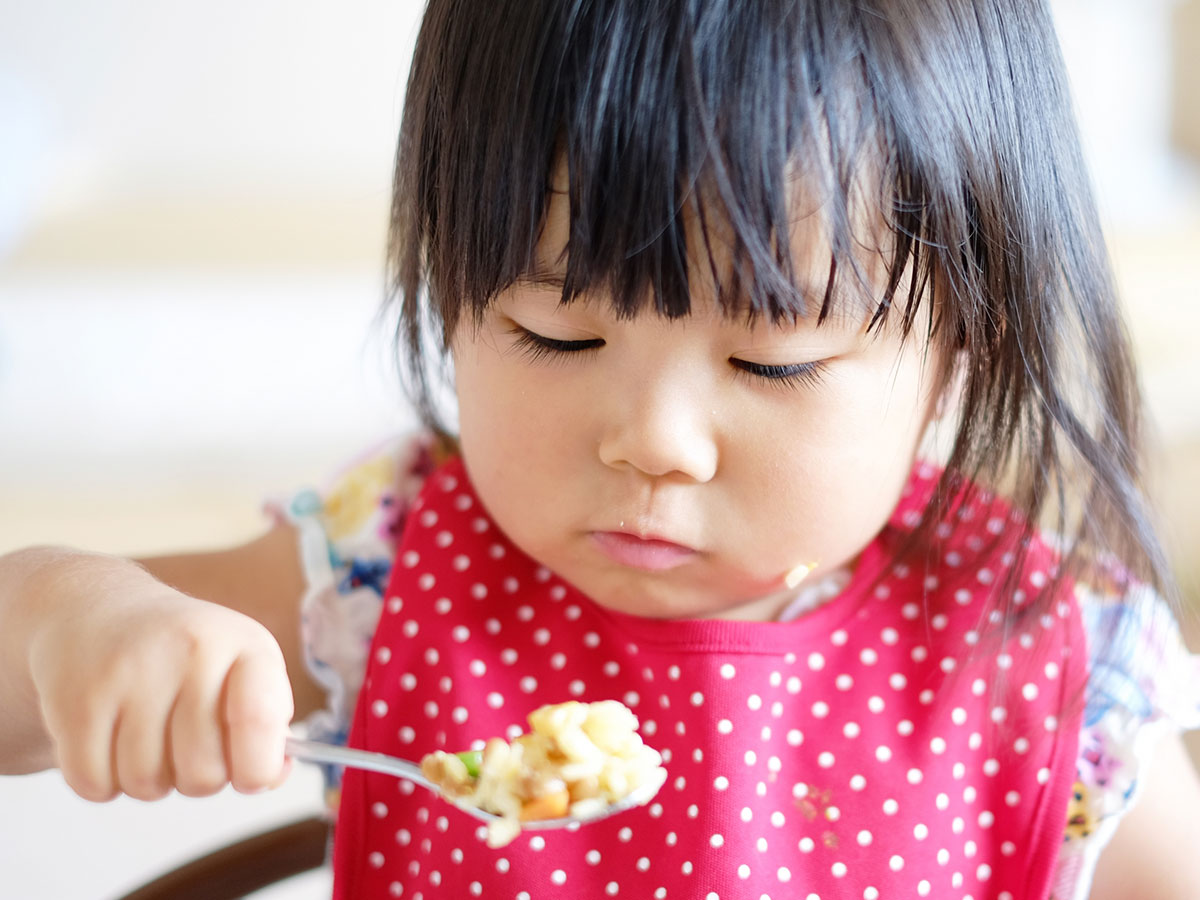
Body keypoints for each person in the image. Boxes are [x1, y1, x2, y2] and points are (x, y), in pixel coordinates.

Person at [2, 0, 1199, 897]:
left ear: (959, 353)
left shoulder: (1054, 669)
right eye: (555, 334)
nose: (653, 441)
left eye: (771, 363)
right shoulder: (390, 574)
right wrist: (76, 617)